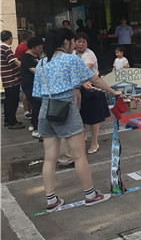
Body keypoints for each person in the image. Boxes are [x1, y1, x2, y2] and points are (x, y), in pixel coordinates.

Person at [32, 28, 121, 211]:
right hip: (66, 108)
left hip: (45, 110)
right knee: (79, 155)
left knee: (49, 158)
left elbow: (37, 92)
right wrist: (113, 92)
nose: (74, 45)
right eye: (73, 41)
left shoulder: (42, 62)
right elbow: (95, 79)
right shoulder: (71, 59)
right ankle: (90, 194)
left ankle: (51, 200)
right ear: (66, 42)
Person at [74, 32, 110, 154]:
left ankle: (95, 142)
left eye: (83, 42)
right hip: (78, 88)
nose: (81, 44)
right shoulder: (72, 54)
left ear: (87, 43)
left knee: (94, 117)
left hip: (92, 87)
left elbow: (83, 70)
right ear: (74, 43)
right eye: (78, 41)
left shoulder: (90, 54)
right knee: (80, 115)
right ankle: (82, 136)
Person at [20, 36, 44, 138]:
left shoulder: (36, 56)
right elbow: (34, 70)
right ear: (34, 46)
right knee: (37, 105)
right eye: (39, 47)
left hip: (36, 85)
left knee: (37, 105)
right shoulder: (27, 57)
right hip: (30, 85)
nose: (41, 49)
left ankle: (33, 125)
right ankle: (36, 128)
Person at [1, 30, 24, 129]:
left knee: (8, 100)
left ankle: (8, 119)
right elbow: (15, 62)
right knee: (13, 101)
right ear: (10, 38)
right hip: (12, 79)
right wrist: (26, 64)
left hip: (6, 79)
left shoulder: (1, 47)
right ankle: (12, 122)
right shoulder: (6, 49)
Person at [15, 30, 34, 120]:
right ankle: (26, 110)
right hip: (24, 73)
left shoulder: (23, 47)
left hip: (25, 72)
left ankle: (29, 109)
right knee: (25, 93)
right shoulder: (22, 48)